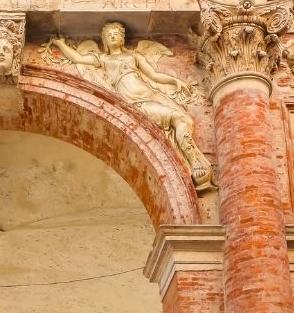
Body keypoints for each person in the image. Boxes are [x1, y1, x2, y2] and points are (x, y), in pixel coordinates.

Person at [47, 22, 213, 189]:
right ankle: (194, 164)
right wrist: (60, 43)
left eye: (116, 34)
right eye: (109, 34)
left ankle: (194, 162)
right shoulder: (103, 59)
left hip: (151, 96)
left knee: (184, 119)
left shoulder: (134, 56)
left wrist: (174, 80)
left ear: (122, 38)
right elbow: (78, 58)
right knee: (178, 119)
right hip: (135, 104)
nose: (113, 36)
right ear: (104, 40)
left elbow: (154, 75)